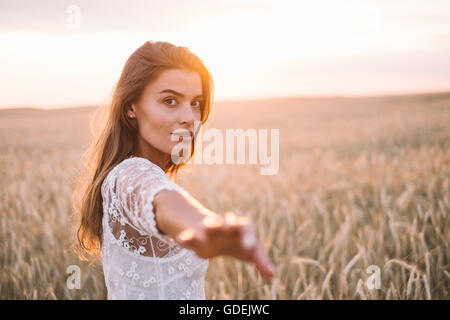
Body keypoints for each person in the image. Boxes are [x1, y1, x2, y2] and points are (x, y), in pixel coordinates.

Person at [72, 40, 276, 300]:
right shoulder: (129, 175)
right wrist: (204, 224)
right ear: (130, 107)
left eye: (196, 103)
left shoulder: (148, 174)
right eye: (170, 101)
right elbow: (160, 199)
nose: (190, 117)